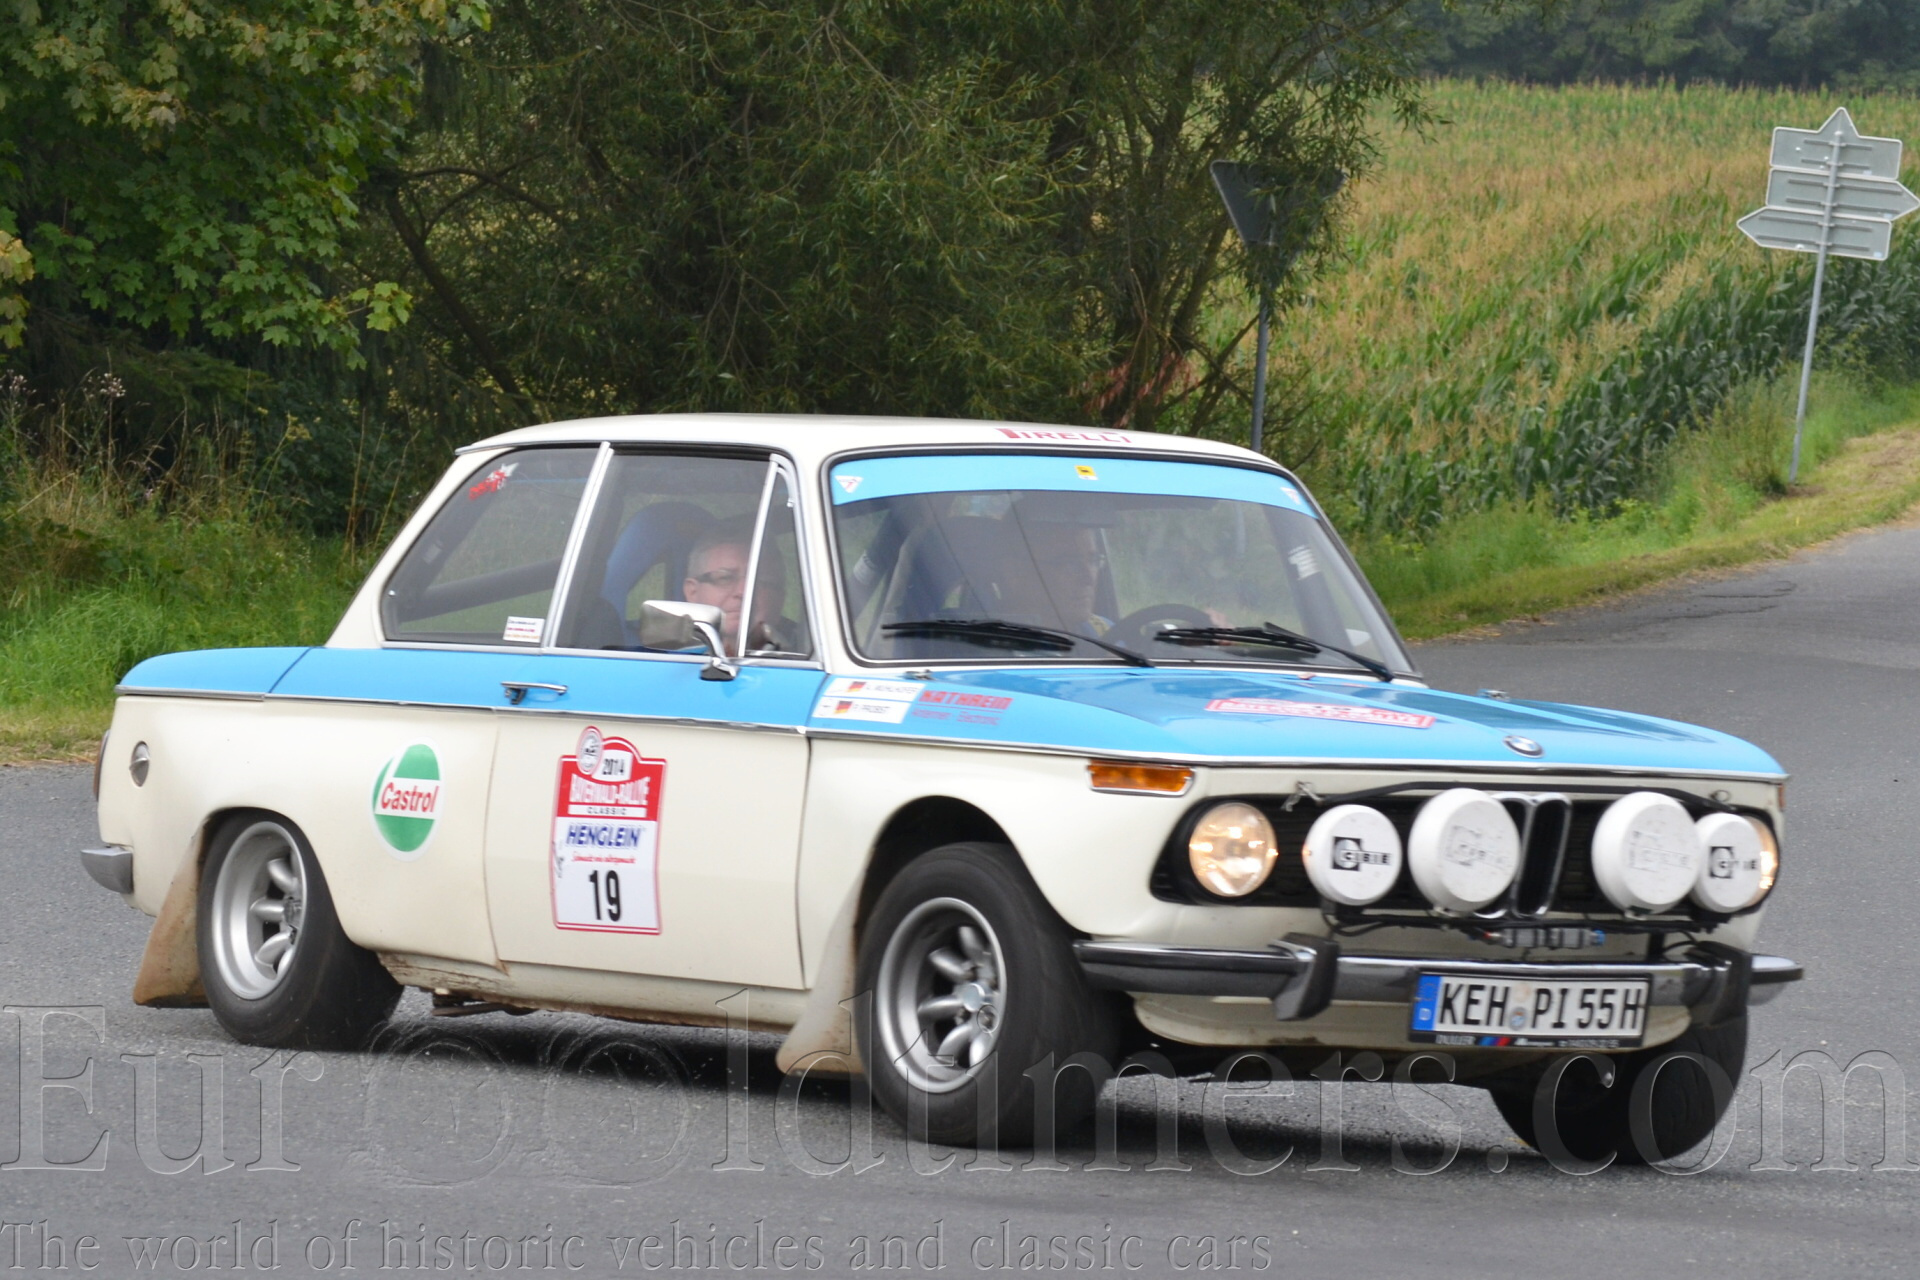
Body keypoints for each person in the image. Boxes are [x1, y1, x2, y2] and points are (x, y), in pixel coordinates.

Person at [682, 523, 805, 654]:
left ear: (780, 598)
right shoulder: (668, 654)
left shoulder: (810, 653)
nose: (744, 591)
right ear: (692, 592)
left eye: (760, 581)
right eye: (725, 578)